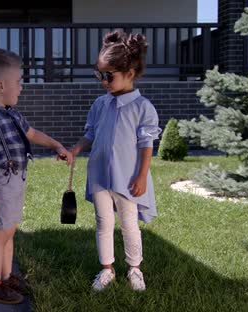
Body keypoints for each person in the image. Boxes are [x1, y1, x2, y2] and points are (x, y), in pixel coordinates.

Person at [0, 48, 73, 304]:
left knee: (10, 231)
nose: (21, 87)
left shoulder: (12, 113)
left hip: (16, 180)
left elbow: (32, 134)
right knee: (1, 234)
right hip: (0, 181)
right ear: (0, 85)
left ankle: (6, 278)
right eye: (18, 82)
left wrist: (56, 145)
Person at [70, 30, 162, 292]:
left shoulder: (142, 107)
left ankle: (135, 268)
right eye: (100, 74)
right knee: (103, 222)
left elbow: (146, 144)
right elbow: (90, 133)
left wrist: (142, 176)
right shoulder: (100, 104)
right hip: (99, 174)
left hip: (127, 177)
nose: (104, 81)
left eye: (109, 75)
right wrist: (75, 150)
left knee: (128, 223)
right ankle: (107, 268)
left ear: (130, 73)